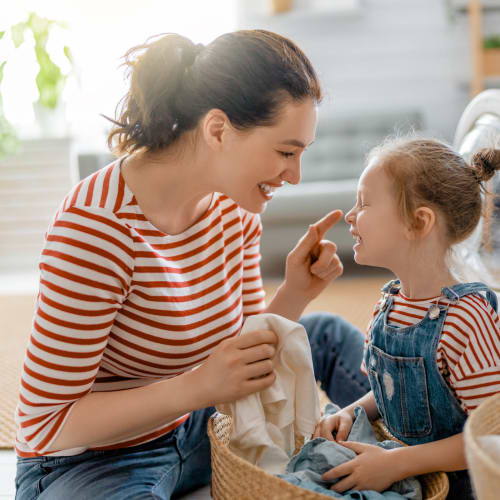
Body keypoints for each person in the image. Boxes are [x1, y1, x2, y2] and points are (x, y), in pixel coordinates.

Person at [14, 30, 370, 500]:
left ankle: (412, 452)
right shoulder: (98, 228)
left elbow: (237, 357)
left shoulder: (234, 210)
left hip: (202, 429)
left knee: (323, 334)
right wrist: (197, 387)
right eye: (286, 152)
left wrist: (295, 293)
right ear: (218, 129)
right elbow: (46, 423)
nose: (294, 175)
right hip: (96, 459)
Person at [314, 137, 500, 499]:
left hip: (461, 484)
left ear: (419, 221)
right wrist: (352, 413)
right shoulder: (390, 303)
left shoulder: (467, 319)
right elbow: (388, 392)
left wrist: (396, 463)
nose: (351, 215)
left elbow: (489, 437)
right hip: (401, 465)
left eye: (364, 204)